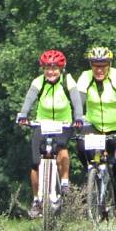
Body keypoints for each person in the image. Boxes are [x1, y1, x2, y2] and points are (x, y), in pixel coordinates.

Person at [16, 49, 83, 218]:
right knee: (34, 162)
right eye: (47, 68)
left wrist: (78, 117)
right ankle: (37, 200)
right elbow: (30, 98)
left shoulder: (68, 81)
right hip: (42, 122)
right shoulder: (39, 82)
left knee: (61, 147)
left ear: (61, 69)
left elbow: (76, 100)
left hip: (64, 123)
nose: (50, 71)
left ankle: (65, 183)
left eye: (54, 68)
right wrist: (23, 114)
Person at [76, 46, 116, 220]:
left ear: (109, 64)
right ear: (91, 65)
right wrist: (76, 120)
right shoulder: (85, 77)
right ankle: (92, 175)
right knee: (79, 143)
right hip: (93, 125)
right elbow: (79, 102)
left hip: (115, 126)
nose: (99, 69)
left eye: (103, 65)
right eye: (95, 65)